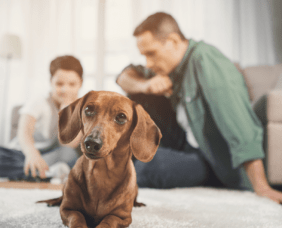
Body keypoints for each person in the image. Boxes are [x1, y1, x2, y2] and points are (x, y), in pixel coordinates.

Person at [116, 12, 282, 204]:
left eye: (151, 53)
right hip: (187, 145)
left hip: (212, 159)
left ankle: (114, 182)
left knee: (152, 165)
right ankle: (97, 167)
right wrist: (146, 85)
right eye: (144, 56)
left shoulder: (205, 60)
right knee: (137, 98)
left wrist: (261, 187)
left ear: (173, 41)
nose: (149, 63)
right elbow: (124, 77)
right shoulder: (172, 69)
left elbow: (238, 123)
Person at [0, 55, 83, 179]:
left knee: (71, 154)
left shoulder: (82, 110)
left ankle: (18, 172)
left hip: (50, 156)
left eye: (72, 84)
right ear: (51, 81)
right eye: (59, 83)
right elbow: (24, 132)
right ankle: (43, 173)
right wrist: (32, 154)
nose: (65, 89)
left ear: (80, 83)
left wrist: (67, 114)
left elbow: (70, 145)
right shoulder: (39, 101)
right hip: (21, 153)